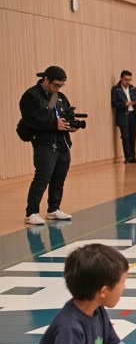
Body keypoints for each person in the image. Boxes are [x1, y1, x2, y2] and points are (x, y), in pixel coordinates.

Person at [20, 66, 76, 225]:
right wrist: (54, 124)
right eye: (55, 85)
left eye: (60, 86)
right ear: (45, 80)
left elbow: (67, 115)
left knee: (59, 177)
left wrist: (71, 125)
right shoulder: (31, 95)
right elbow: (31, 119)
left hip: (62, 142)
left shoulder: (60, 97)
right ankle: (31, 212)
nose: (57, 89)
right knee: (42, 177)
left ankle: (53, 209)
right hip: (44, 142)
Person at [110, 70, 136, 164]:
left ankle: (133, 156)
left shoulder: (133, 88)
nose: (128, 82)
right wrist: (125, 104)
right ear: (121, 78)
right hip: (123, 116)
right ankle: (128, 157)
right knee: (125, 137)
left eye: (129, 80)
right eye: (126, 79)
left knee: (133, 137)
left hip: (133, 115)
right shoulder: (115, 89)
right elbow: (114, 103)